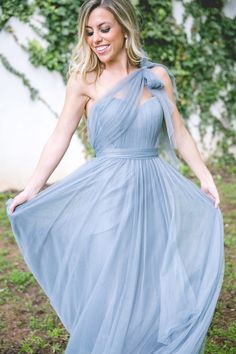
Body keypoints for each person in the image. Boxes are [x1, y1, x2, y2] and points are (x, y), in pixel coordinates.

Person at [6, 0, 224, 353]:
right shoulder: (84, 79)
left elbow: (179, 132)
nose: (96, 39)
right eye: (90, 32)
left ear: (125, 28)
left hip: (153, 185)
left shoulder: (157, 77)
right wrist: (32, 188)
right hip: (107, 188)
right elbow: (60, 135)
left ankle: (145, 338)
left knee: (153, 269)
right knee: (113, 272)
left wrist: (205, 176)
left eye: (104, 29)